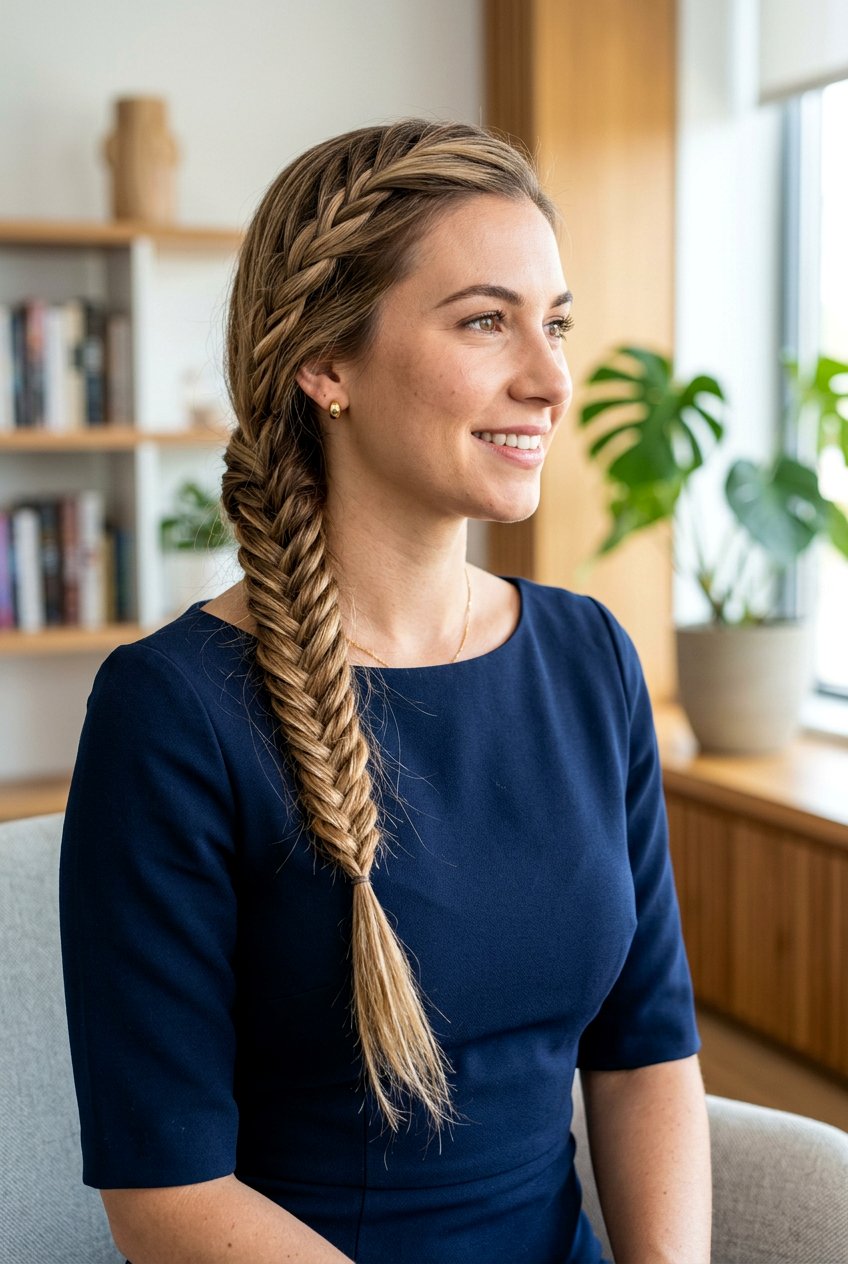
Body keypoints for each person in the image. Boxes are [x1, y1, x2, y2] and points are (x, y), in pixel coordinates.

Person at [60, 118, 711, 1264]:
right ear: (325, 364)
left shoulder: (588, 658)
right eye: (483, 321)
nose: (550, 379)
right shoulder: (170, 713)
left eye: (552, 323)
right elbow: (165, 1199)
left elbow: (645, 1050)